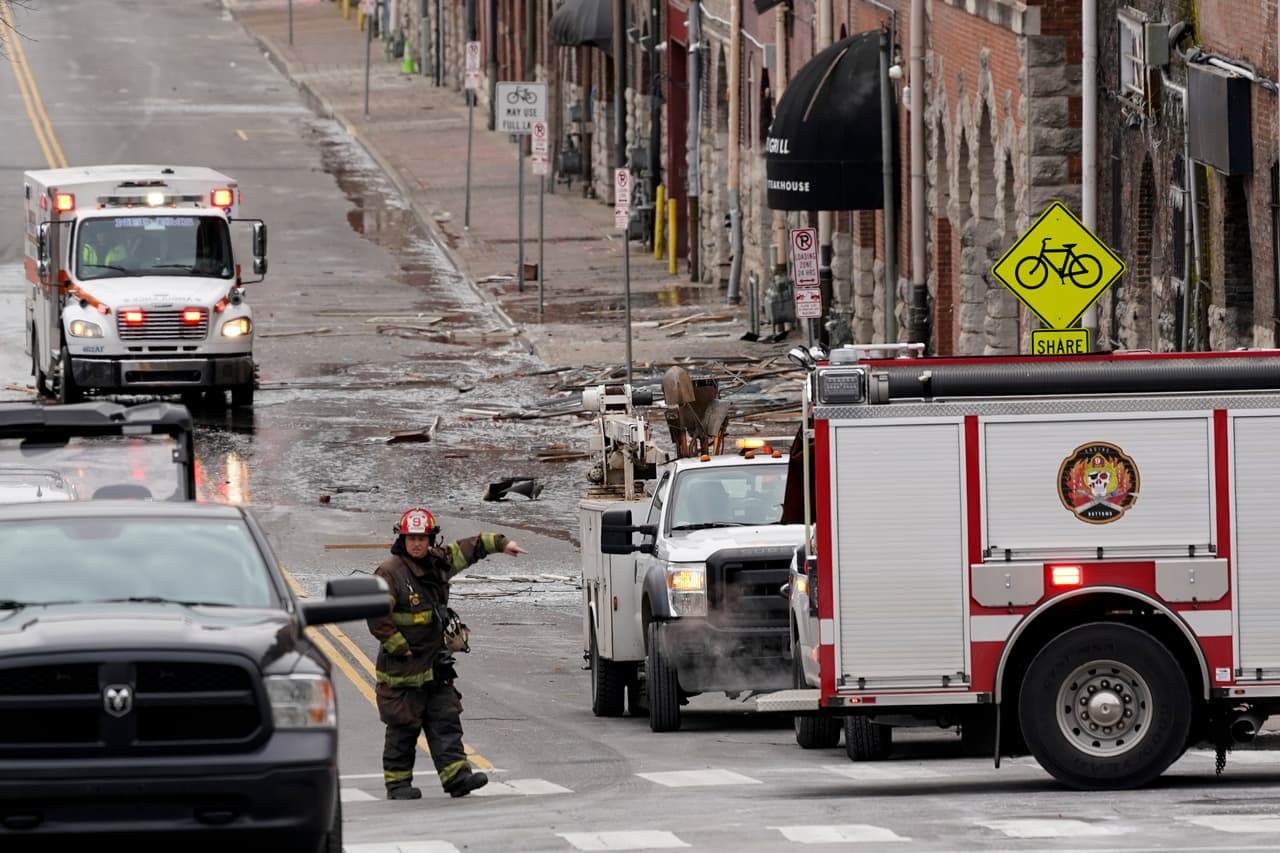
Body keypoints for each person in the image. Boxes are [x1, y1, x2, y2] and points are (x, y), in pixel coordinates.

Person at [367, 507, 528, 800]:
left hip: (435, 665)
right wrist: (399, 648)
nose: (417, 544)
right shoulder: (389, 573)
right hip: (402, 670)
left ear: (431, 538)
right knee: (403, 728)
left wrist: (503, 544)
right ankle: (398, 784)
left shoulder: (439, 563)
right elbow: (377, 617)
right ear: (402, 539)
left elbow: (471, 546)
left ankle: (457, 778)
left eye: (422, 538)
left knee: (446, 719)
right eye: (411, 538)